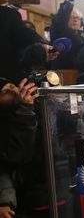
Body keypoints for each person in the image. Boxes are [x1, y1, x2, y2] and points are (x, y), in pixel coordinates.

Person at [0, 77, 38, 218]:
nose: (11, 89)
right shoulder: (22, 111)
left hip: (49, 189)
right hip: (23, 198)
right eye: (4, 91)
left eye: (12, 85)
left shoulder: (31, 106)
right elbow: (16, 155)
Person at [49, 0, 84, 69]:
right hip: (63, 73)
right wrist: (70, 0)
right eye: (72, 17)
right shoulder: (60, 32)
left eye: (77, 18)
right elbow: (60, 20)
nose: (75, 20)